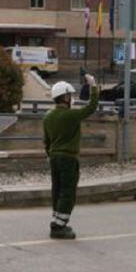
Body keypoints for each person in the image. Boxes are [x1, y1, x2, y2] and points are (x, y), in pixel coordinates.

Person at [42, 76, 98, 239]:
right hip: (68, 158)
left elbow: (46, 141)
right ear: (65, 97)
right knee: (68, 191)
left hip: (54, 158)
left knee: (57, 189)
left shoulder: (47, 117)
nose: (71, 99)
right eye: (70, 96)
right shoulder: (71, 116)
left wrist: (50, 155)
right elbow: (91, 107)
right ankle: (58, 226)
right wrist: (93, 86)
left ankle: (57, 219)